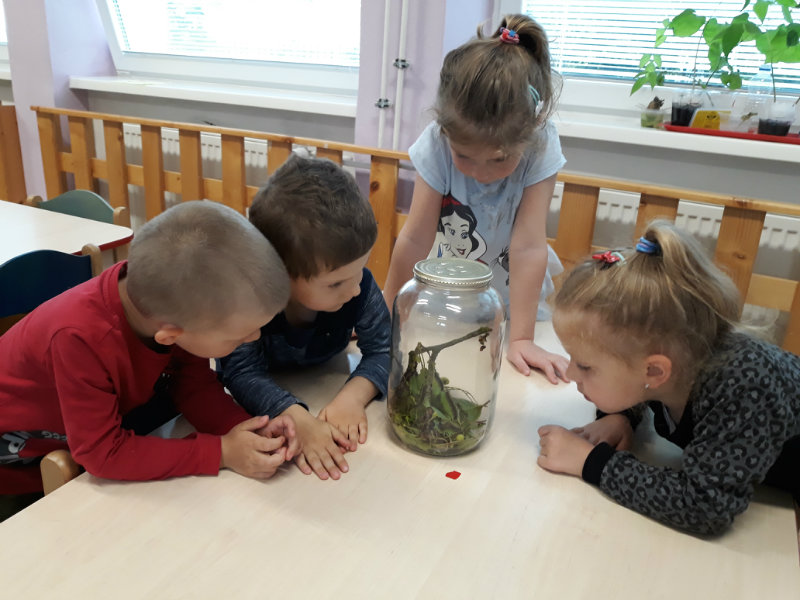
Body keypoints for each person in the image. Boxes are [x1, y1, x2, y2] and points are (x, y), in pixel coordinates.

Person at [0, 200, 297, 520]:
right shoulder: (79, 337)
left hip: (78, 443)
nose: (253, 338)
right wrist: (221, 452)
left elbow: (194, 386)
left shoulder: (170, 302)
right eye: (239, 336)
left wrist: (244, 431)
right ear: (169, 336)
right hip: (16, 467)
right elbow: (104, 453)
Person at [537, 221, 800, 535]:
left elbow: (705, 506)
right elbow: (632, 381)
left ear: (654, 372)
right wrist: (620, 417)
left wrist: (591, 462)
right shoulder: (679, 352)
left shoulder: (744, 386)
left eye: (585, 366)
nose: (570, 374)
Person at [381, 14, 568, 384]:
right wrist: (384, 313)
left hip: (517, 309)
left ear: (530, 131)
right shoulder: (436, 141)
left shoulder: (542, 144)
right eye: (464, 156)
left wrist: (522, 339)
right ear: (445, 130)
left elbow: (529, 246)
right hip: (447, 299)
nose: (480, 173)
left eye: (499, 159)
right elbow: (415, 238)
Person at [219, 155, 391, 482]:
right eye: (336, 283)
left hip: (324, 381)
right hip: (280, 395)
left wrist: (353, 397)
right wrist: (296, 417)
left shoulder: (359, 286)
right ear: (279, 275)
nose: (355, 289)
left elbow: (385, 349)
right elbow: (240, 371)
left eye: (361, 270)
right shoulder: (249, 302)